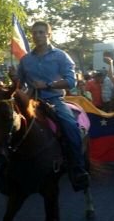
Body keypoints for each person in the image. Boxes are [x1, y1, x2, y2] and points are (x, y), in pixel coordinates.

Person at [10, 20, 89, 191]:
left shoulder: (61, 56)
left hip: (54, 101)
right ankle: (8, 168)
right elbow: (20, 83)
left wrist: (48, 85)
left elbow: (71, 81)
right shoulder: (25, 60)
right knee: (11, 125)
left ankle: (78, 169)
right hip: (31, 102)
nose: (37, 35)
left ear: (48, 34)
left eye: (41, 32)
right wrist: (14, 77)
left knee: (70, 126)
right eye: (35, 32)